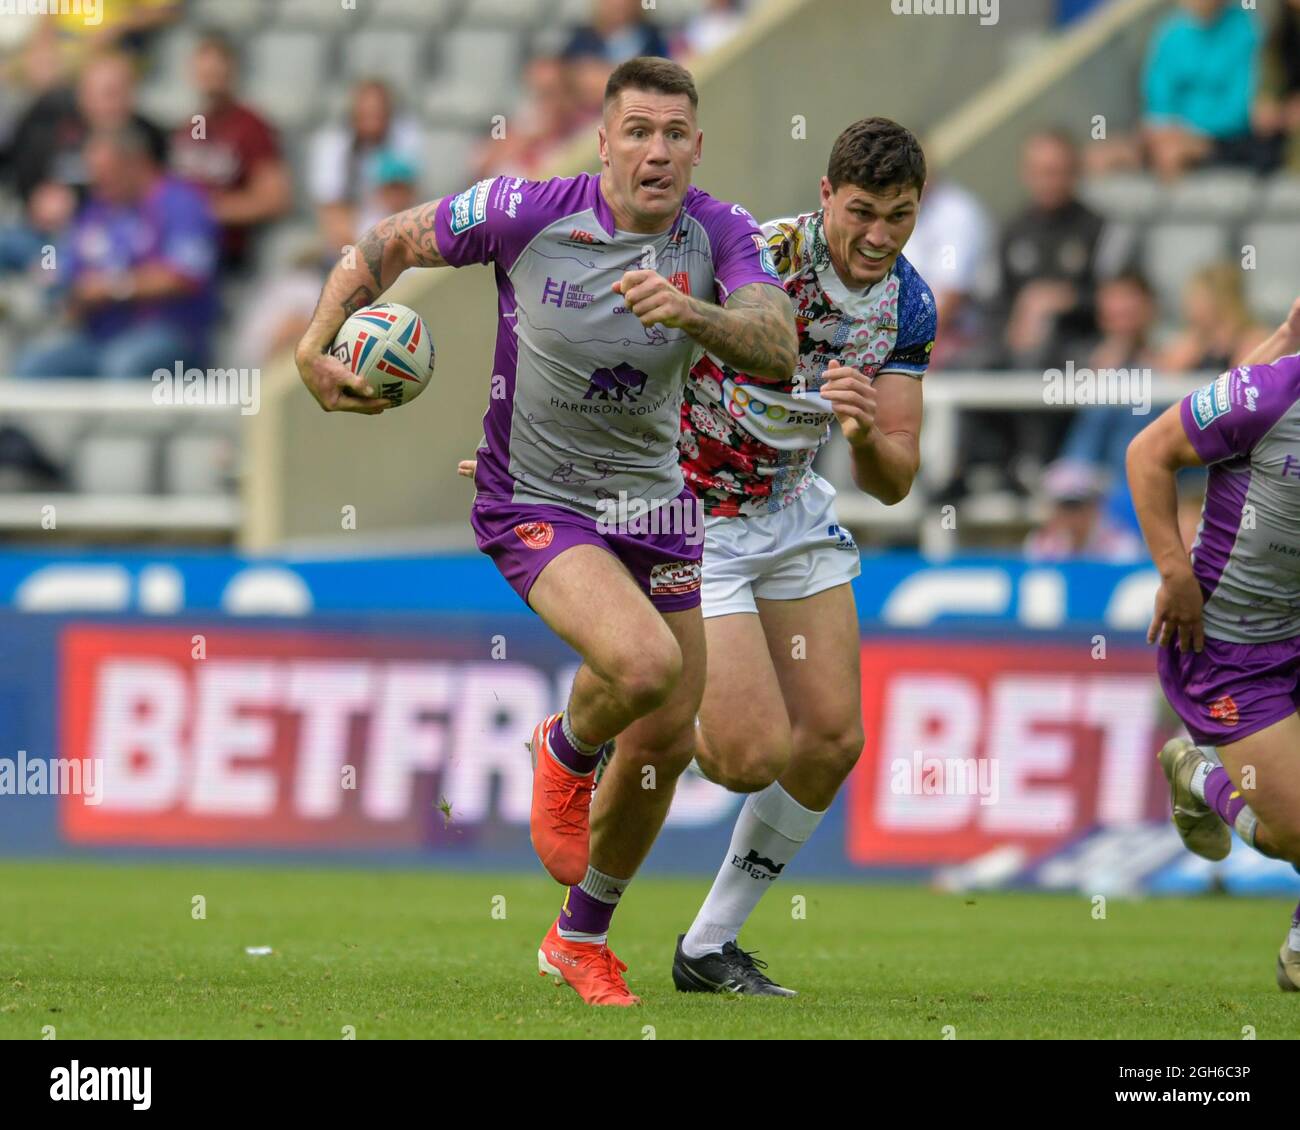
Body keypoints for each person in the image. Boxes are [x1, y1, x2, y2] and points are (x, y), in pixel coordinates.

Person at [294, 57, 796, 1006]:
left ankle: (579, 937)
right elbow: (390, 242)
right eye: (637, 131)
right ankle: (564, 748)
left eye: (675, 134)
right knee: (643, 669)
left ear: (698, 146)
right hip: (536, 499)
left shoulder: (719, 234)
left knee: (668, 741)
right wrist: (314, 344)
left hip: (658, 502)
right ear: (602, 140)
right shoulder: (525, 212)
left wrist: (694, 312)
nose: (656, 152)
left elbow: (775, 343)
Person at [1127, 296, 1300, 991]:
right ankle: (1196, 773)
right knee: (1295, 834)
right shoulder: (1271, 394)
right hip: (1230, 646)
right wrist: (1174, 572)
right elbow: (1148, 454)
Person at [15, 125, 218, 379]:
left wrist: (113, 287)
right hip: (100, 336)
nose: (97, 184)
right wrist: (61, 285)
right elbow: (70, 267)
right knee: (31, 367)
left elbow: (184, 276)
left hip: (170, 333)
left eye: (106, 174)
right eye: (94, 175)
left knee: (121, 366)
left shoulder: (180, 202)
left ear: (136, 163)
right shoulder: (99, 208)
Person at [169, 30, 291, 271]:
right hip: (181, 243)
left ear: (231, 72)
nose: (210, 80)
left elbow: (275, 199)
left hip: (227, 249)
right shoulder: (188, 126)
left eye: (216, 72)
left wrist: (211, 209)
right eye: (205, 72)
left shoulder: (251, 127)